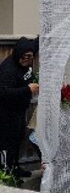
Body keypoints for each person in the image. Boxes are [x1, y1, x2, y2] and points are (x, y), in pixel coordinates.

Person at [0, 37, 39, 177]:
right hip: (6, 112)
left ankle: (15, 167)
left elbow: (34, 44)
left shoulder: (26, 57)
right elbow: (3, 92)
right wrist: (27, 90)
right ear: (18, 54)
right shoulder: (8, 70)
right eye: (24, 57)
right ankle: (6, 172)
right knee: (6, 143)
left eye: (30, 57)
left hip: (18, 111)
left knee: (18, 139)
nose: (27, 60)